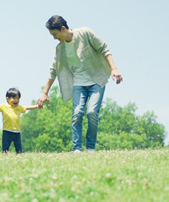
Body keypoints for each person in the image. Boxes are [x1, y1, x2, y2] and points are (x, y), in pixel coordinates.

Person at [37, 16, 123, 152]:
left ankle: (90, 148)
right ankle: (77, 149)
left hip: (96, 80)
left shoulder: (85, 33)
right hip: (78, 83)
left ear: (63, 29)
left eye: (54, 34)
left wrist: (114, 68)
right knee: (77, 113)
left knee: (92, 112)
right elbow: (53, 70)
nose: (54, 38)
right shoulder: (60, 49)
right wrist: (45, 93)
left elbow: (104, 48)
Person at [0, 88, 37, 154]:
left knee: (19, 149)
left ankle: (20, 158)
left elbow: (29, 107)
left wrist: (37, 106)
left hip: (17, 132)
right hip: (7, 132)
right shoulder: (4, 106)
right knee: (5, 149)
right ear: (8, 99)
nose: (16, 100)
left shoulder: (19, 108)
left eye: (18, 98)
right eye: (14, 98)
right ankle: (4, 158)